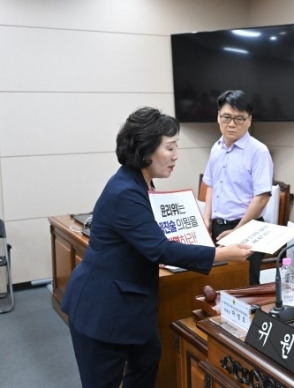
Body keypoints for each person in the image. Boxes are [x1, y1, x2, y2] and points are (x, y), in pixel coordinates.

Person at [61, 107, 251, 388]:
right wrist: (224, 253)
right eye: (170, 147)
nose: (176, 155)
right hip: (103, 309)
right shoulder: (125, 191)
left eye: (177, 147)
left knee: (148, 364)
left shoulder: (138, 182)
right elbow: (160, 250)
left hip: (133, 304)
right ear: (145, 150)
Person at [202, 90, 274, 285]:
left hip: (247, 228)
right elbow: (211, 186)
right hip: (218, 227)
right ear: (218, 117)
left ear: (249, 120)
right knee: (219, 286)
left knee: (245, 289)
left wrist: (238, 231)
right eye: (226, 117)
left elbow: (262, 197)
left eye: (239, 118)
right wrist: (206, 220)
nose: (231, 124)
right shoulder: (216, 148)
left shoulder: (258, 151)